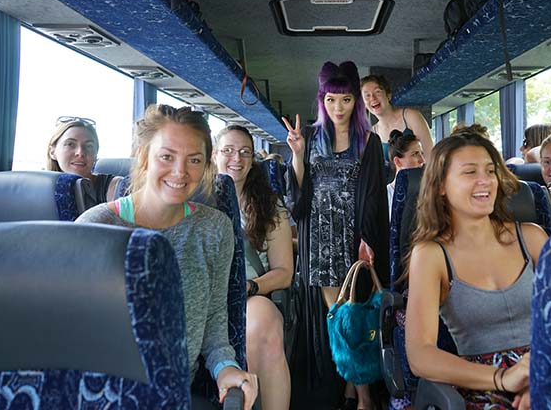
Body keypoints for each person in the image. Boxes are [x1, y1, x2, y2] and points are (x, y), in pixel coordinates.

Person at [76, 105, 258, 410]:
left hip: (172, 390)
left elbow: (214, 322)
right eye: (167, 156)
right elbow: (73, 329)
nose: (180, 172)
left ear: (206, 166)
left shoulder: (214, 229)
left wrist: (227, 368)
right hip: (100, 389)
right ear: (145, 156)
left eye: (194, 160)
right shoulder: (95, 226)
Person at [404, 131, 548, 410]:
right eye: (470, 172)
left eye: (490, 171)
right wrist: (503, 378)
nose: (485, 181)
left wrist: (541, 376)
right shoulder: (431, 255)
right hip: (483, 387)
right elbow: (420, 355)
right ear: (441, 186)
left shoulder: (532, 238)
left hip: (549, 371)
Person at [285, 61, 389, 410]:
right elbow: (297, 195)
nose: (338, 108)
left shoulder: (369, 141)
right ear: (322, 101)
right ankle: (362, 397)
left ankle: (351, 390)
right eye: (331, 101)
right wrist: (297, 156)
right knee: (341, 316)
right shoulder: (310, 137)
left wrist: (368, 239)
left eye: (345, 100)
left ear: (354, 102)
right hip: (319, 237)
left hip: (353, 235)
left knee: (353, 313)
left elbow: (373, 196)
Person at [214, 125, 293, 410]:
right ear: (214, 155)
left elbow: (284, 271)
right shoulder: (195, 198)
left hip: (249, 294)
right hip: (204, 295)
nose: (237, 158)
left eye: (244, 152)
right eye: (228, 151)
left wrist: (250, 287)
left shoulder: (270, 207)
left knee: (263, 319)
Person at [47, 116, 121, 208]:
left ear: (96, 153)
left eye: (89, 146)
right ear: (52, 152)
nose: (80, 153)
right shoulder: (39, 189)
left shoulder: (116, 188)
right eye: (70, 144)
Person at [360, 74, 434, 161]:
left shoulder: (411, 117)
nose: (372, 98)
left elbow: (430, 156)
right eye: (367, 96)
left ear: (388, 95)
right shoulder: (372, 134)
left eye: (377, 92)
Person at [386, 130, 425, 220]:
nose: (422, 160)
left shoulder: (427, 192)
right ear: (397, 161)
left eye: (421, 153)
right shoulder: (384, 196)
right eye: (415, 154)